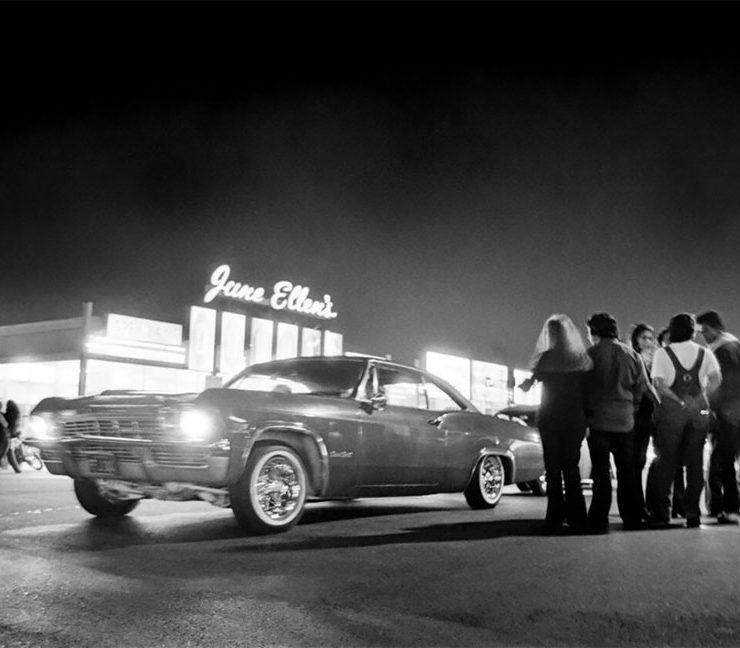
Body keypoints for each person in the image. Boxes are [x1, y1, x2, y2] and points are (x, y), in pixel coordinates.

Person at [519, 314, 593, 534]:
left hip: (550, 418)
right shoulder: (581, 359)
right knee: (571, 467)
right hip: (574, 419)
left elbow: (528, 384)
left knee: (552, 468)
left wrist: (527, 383)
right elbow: (588, 392)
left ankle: (554, 516)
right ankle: (577, 516)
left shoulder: (546, 358)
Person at [646, 313, 721, 528]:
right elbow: (716, 380)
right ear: (692, 332)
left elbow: (658, 384)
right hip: (697, 415)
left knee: (666, 463)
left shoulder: (662, 354)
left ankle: (662, 513)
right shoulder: (705, 353)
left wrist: (678, 400)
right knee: (695, 464)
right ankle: (692, 512)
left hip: (671, 415)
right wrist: (698, 399)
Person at [584, 312, 648, 532]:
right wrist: (632, 406)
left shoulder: (589, 355)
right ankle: (631, 517)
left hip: (598, 420)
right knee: (626, 471)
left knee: (601, 471)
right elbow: (640, 387)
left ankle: (599, 518)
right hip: (624, 419)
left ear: (594, 331)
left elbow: (582, 388)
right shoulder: (631, 354)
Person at [696, 310, 740, 524]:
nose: (704, 336)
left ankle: (729, 508)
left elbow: (723, 383)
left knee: (723, 462)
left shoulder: (723, 351)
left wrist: (712, 406)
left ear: (717, 328)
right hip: (734, 412)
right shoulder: (734, 345)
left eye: (705, 331)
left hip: (728, 413)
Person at [630, 323, 660, 520]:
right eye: (643, 338)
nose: (648, 342)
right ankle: (637, 505)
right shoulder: (634, 358)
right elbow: (644, 386)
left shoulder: (658, 359)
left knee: (641, 460)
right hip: (637, 414)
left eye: (650, 338)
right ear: (636, 340)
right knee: (637, 460)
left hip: (650, 415)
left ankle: (644, 504)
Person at [657, 328, 687, 518]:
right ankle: (664, 505)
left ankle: (679, 504)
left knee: (679, 464)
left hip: (682, 418)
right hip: (664, 418)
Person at [4, 400, 22, 473]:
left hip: (10, 435)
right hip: (14, 434)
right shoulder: (17, 414)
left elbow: (6, 423)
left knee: (10, 452)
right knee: (10, 451)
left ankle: (17, 469)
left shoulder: (10, 415)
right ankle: (17, 468)